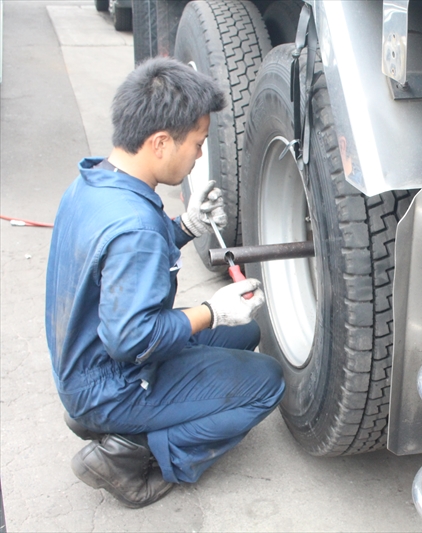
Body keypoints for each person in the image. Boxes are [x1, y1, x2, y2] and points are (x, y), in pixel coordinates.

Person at [45, 57, 285, 508]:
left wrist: (185, 227)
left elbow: (120, 263)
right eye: (197, 143)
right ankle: (130, 453)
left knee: (247, 332)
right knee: (267, 381)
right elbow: (132, 341)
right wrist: (213, 311)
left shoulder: (97, 183)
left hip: (82, 366)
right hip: (113, 379)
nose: (198, 155)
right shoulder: (134, 227)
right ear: (159, 142)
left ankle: (108, 421)